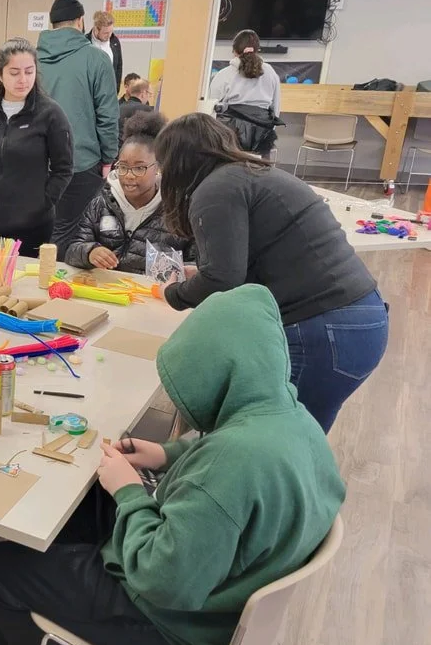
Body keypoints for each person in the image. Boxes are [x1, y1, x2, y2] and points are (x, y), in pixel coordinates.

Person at [0, 284, 346, 645]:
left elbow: (163, 580)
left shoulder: (232, 467)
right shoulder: (294, 421)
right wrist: (165, 455)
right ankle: (39, 630)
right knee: (94, 505)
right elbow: (225, 456)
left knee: (2, 567)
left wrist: (130, 491)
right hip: (227, 603)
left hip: (188, 642)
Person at [156, 113, 389, 432]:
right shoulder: (250, 174)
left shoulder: (214, 190)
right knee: (299, 446)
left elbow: (223, 281)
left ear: (176, 163)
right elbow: (250, 259)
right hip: (359, 320)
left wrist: (173, 293)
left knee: (271, 443)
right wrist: (199, 271)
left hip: (325, 329)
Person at [0, 37, 73, 256]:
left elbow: (63, 168)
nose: (23, 80)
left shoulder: (51, 114)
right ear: (0, 74)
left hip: (30, 228)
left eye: (29, 71)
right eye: (14, 72)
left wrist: (43, 202)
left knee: (22, 287)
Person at [37, 0, 120, 259]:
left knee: (37, 229)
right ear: (81, 20)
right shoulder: (96, 60)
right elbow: (107, 115)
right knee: (71, 234)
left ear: (52, 23)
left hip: (33, 163)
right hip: (80, 162)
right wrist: (109, 158)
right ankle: (54, 292)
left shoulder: (29, 61)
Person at [65, 111, 195, 275]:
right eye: (123, 167)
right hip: (104, 292)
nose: (129, 175)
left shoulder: (178, 211)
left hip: (153, 296)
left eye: (139, 168)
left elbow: (196, 263)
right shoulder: (102, 203)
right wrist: (89, 252)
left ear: (159, 167)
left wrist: (178, 273)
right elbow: (73, 250)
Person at [208, 30, 282, 158]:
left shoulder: (224, 74)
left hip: (230, 137)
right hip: (262, 138)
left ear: (234, 51)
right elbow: (276, 108)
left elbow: (211, 107)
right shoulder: (270, 73)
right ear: (258, 50)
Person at [89, 10, 123, 95]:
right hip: (90, 91)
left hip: (109, 91)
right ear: (96, 29)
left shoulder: (114, 41)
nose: (109, 35)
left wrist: (116, 90)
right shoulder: (85, 42)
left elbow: (119, 66)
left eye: (111, 31)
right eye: (105, 33)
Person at [116, 78, 154, 154]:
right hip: (132, 153)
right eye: (149, 94)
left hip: (117, 151)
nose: (148, 98)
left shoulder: (119, 107)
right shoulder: (145, 110)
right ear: (143, 93)